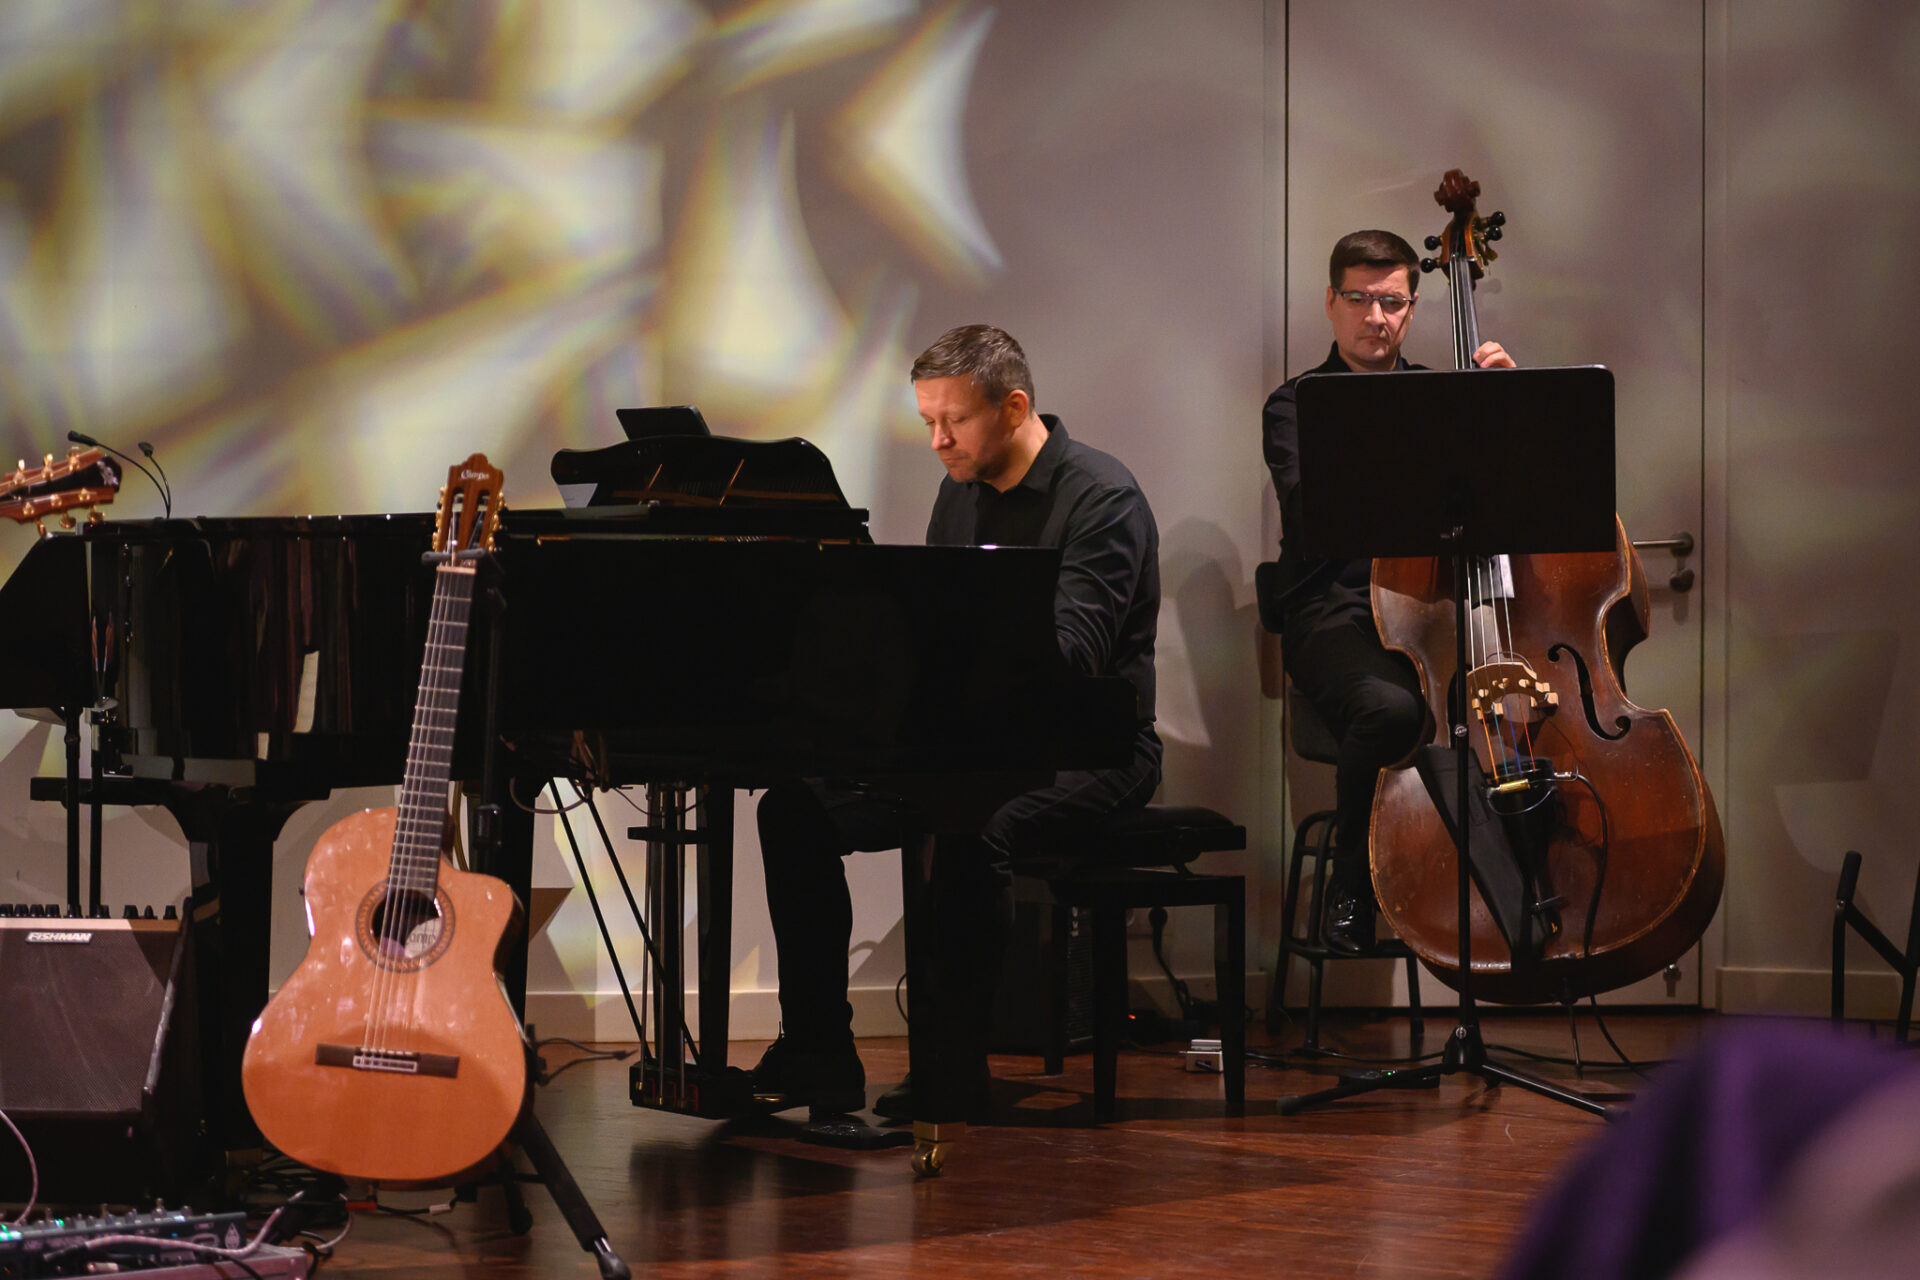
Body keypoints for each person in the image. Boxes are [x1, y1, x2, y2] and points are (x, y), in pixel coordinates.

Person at [754, 323, 1163, 1118]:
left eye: (955, 421)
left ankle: (953, 1065)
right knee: (794, 810)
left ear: (1013, 408)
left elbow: (1074, 657)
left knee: (978, 821)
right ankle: (818, 1049)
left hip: (1092, 748)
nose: (938, 441)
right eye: (928, 422)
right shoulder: (961, 491)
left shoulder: (1101, 498)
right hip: (972, 742)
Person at [1259, 229, 1513, 953]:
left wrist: (1503, 412)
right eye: (1359, 299)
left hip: (1435, 607)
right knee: (1391, 709)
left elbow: (1508, 500)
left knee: (1502, 713)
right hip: (1332, 612)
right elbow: (1316, 511)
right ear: (1330, 303)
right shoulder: (1296, 405)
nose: (1376, 317)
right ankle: (1351, 885)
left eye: (1393, 302)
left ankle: (1512, 902)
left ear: (1412, 307)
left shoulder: (1447, 397)